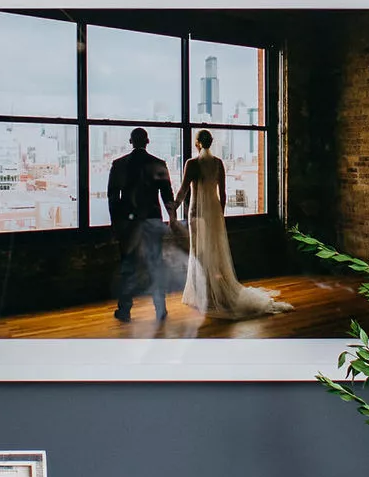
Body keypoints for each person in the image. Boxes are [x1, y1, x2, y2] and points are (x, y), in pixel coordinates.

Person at [177, 129, 287, 320]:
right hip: (214, 210)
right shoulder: (218, 163)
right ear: (210, 143)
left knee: (198, 251)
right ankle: (213, 292)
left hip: (197, 212)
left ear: (197, 144)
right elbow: (223, 193)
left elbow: (183, 191)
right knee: (214, 251)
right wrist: (220, 213)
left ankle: (204, 294)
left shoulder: (192, 164)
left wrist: (172, 209)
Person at [107, 127, 177, 328]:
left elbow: (113, 198)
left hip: (129, 224)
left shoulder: (119, 165)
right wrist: (172, 219)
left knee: (128, 266)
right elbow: (167, 196)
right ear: (147, 142)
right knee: (156, 265)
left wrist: (116, 224)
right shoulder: (159, 164)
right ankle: (160, 309)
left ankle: (125, 310)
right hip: (153, 222)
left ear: (131, 142)